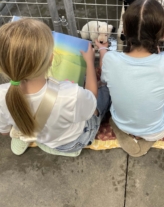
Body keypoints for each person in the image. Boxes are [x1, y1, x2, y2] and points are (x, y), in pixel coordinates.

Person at [0, 18, 110, 155]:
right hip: (75, 140)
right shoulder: (69, 93)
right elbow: (91, 101)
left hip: (45, 138)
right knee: (106, 90)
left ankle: (26, 135)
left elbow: (4, 131)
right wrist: (89, 63)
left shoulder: (2, 95)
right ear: (51, 59)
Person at [95, 0, 164, 144]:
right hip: (157, 130)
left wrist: (103, 49)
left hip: (121, 124)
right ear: (163, 34)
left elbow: (104, 76)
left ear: (124, 30)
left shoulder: (110, 60)